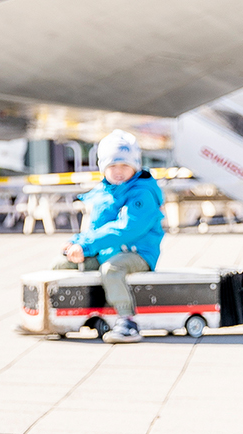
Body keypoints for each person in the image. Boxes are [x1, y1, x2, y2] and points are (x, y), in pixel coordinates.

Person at [54, 130, 163, 344]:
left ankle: (128, 321)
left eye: (125, 165)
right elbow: (95, 227)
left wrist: (85, 246)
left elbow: (125, 229)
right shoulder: (105, 191)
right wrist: (77, 242)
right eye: (112, 166)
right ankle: (55, 314)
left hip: (138, 253)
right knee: (61, 264)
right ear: (103, 168)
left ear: (136, 165)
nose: (119, 171)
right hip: (107, 250)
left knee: (112, 270)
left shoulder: (143, 193)